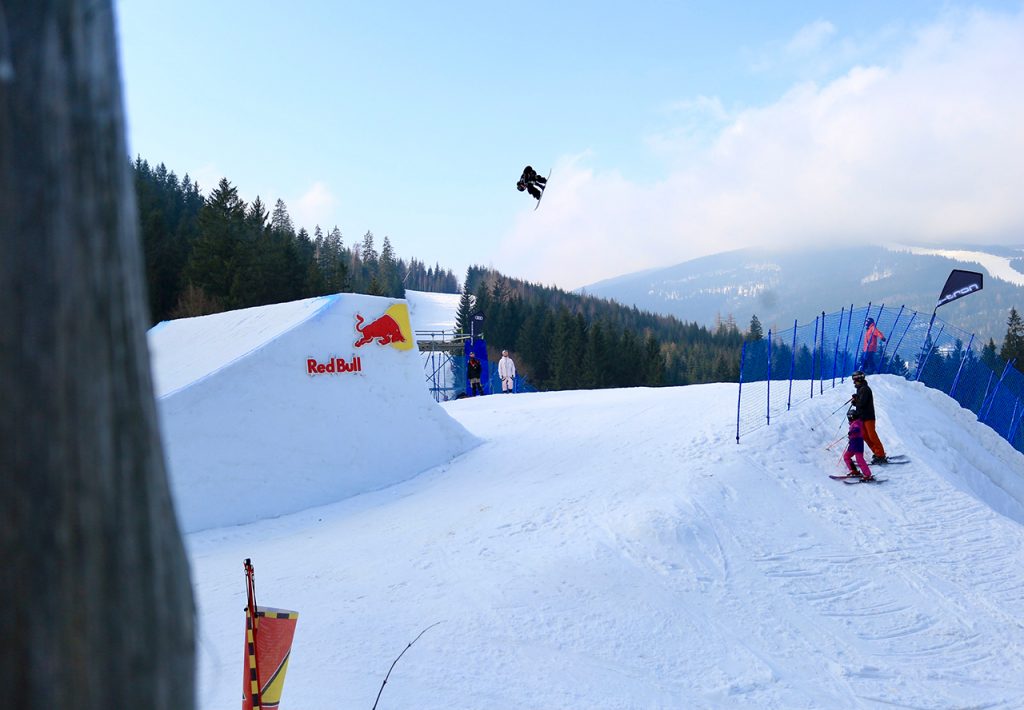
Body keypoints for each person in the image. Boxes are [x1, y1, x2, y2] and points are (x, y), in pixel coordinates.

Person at [850, 370, 887, 464]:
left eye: (854, 379)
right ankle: (876, 452)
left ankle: (881, 454)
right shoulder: (860, 389)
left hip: (868, 417)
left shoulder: (865, 389)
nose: (854, 382)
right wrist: (856, 400)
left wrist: (856, 400)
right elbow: (860, 403)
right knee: (865, 436)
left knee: (872, 435)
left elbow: (862, 403)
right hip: (862, 417)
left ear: (859, 379)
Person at [843, 409, 874, 480]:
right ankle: (854, 470)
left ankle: (867, 475)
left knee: (859, 459)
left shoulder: (857, 423)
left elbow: (857, 429)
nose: (849, 418)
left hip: (857, 443)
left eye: (849, 416)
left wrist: (852, 432)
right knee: (846, 456)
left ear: (852, 416)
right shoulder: (854, 423)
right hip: (853, 444)